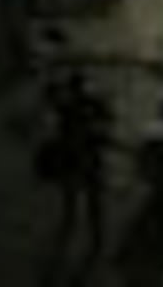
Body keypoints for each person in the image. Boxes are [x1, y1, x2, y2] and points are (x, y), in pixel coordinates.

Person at [38, 68, 114, 257]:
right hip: (75, 160)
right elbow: (106, 120)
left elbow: (106, 120)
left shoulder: (75, 106)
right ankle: (91, 234)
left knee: (84, 201)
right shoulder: (74, 106)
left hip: (79, 160)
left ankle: (92, 234)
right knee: (81, 200)